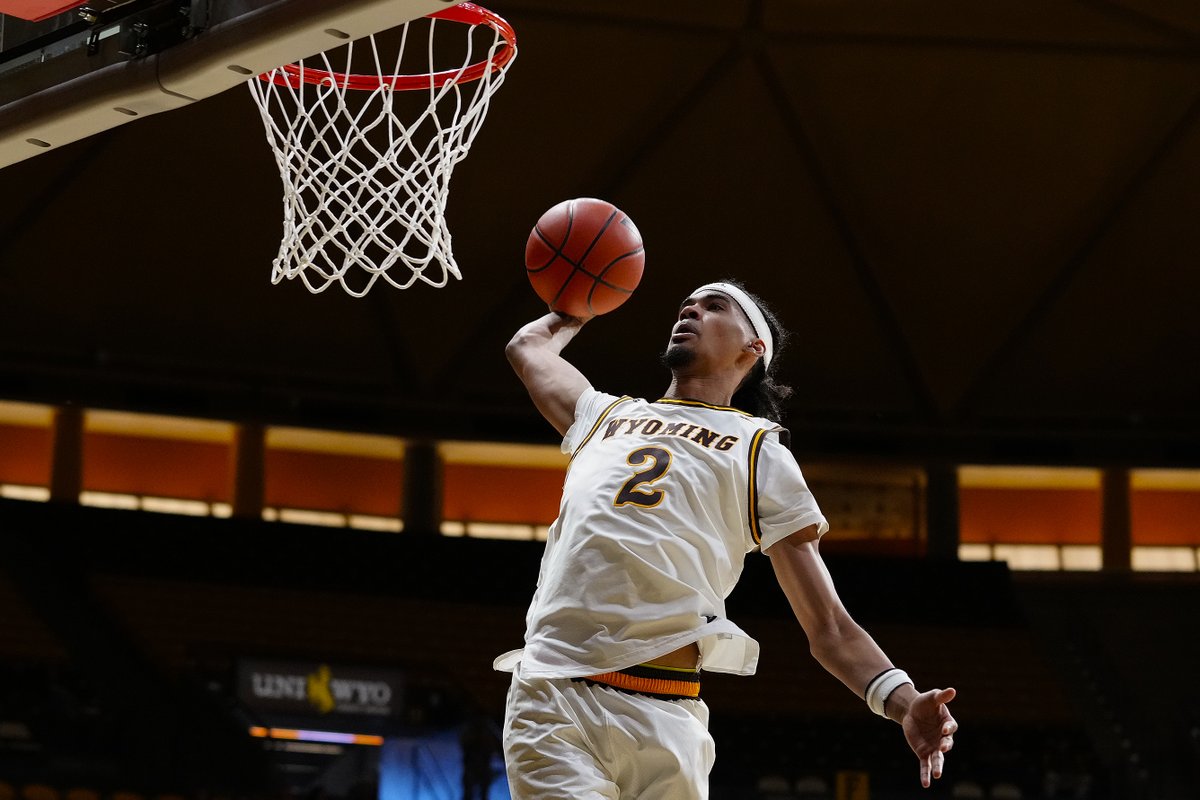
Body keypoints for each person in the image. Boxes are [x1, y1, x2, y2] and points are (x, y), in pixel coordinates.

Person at [496, 280, 958, 799]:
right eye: (685, 305)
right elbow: (527, 347)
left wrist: (902, 700)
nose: (690, 311)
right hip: (555, 698)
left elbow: (828, 624)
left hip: (667, 711)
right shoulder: (602, 415)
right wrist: (581, 300)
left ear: (752, 349)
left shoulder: (758, 450)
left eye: (714, 306)